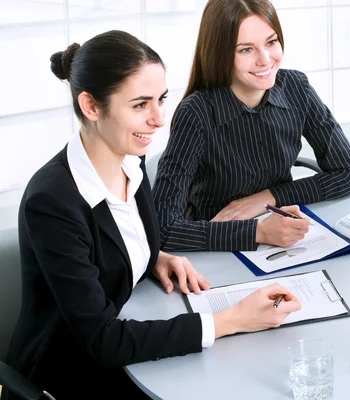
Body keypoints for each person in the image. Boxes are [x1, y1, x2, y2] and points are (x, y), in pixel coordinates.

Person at [1, 30, 300, 400]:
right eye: (140, 104)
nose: (159, 119)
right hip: (70, 375)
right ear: (92, 107)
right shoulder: (52, 202)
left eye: (161, 99)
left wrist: (153, 256)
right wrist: (231, 320)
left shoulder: (130, 160)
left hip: (126, 349)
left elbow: (109, 245)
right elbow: (102, 340)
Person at [152, 0, 350, 252]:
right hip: (217, 246)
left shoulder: (296, 87)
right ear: (220, 54)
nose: (265, 60)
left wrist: (267, 198)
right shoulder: (197, 112)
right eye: (245, 50)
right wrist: (258, 232)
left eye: (271, 42)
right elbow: (162, 229)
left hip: (283, 235)